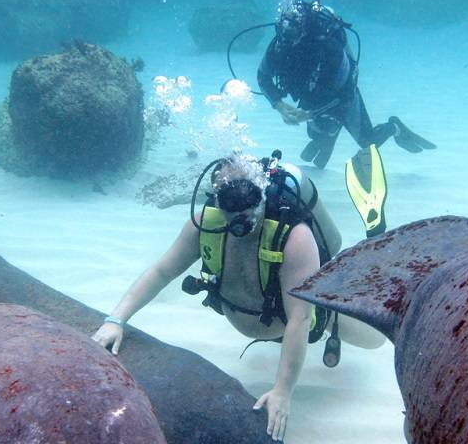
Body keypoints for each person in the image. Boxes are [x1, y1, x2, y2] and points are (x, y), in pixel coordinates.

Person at [92, 153, 385, 442]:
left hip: (299, 318)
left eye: (248, 205)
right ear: (217, 201)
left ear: (262, 195)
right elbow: (161, 271)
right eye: (230, 207)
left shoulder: (294, 236)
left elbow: (300, 319)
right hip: (268, 315)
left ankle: (375, 240)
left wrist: (282, 390)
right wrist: (116, 319)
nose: (240, 219)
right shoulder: (203, 224)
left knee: (375, 339)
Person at [257, 0, 436, 169]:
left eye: (291, 32)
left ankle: (394, 127)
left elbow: (346, 92)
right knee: (314, 133)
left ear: (303, 31)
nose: (286, 39)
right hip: (313, 96)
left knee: (368, 141)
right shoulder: (279, 45)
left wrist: (310, 114)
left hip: (342, 95)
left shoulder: (328, 47)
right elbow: (262, 76)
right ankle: (329, 132)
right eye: (282, 31)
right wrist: (278, 104)